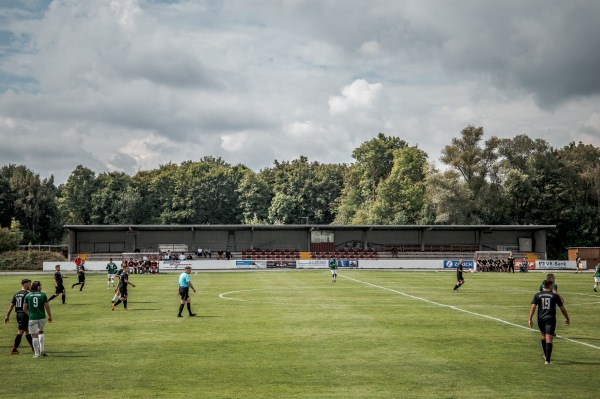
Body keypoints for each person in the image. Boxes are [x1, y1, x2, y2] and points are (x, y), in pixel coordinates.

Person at [528, 279, 570, 364]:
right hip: (550, 319)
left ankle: (545, 355)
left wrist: (530, 319)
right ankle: (547, 360)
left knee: (543, 336)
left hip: (540, 318)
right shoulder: (554, 296)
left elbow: (533, 307)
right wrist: (567, 318)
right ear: (550, 286)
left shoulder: (537, 295)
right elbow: (562, 308)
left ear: (543, 286)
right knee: (549, 338)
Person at [4, 279, 34, 354]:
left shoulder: (16, 294)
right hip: (24, 314)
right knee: (20, 332)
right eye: (29, 284)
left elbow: (11, 306)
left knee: (27, 331)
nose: (30, 286)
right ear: (25, 284)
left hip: (18, 314)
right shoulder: (27, 294)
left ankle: (33, 347)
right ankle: (14, 349)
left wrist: (7, 316)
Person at [23, 281, 52, 358]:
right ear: (38, 287)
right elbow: (47, 306)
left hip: (33, 318)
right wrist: (49, 316)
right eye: (41, 286)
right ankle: (42, 350)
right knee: (41, 332)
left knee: (34, 335)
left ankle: (36, 353)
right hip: (42, 317)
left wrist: (30, 315)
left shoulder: (28, 295)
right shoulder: (43, 295)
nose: (41, 287)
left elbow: (24, 308)